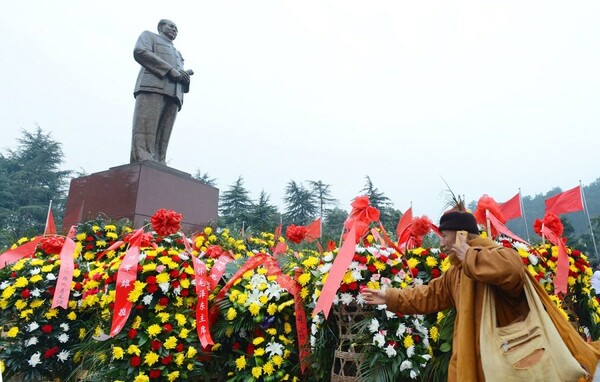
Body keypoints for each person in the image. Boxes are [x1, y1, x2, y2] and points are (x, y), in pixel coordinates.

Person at [362, 210, 600, 381]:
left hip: (508, 357)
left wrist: (472, 257)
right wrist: (389, 297)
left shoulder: (495, 255)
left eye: (445, 235)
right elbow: (427, 295)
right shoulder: (455, 273)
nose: (442, 242)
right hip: (471, 357)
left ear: (463, 235)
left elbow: (513, 270)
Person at [130, 19, 191, 164]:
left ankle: (159, 159)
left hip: (174, 93)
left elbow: (179, 73)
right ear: (160, 27)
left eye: (176, 28)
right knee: (146, 126)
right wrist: (169, 70)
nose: (174, 29)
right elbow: (140, 51)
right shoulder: (149, 36)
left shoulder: (178, 53)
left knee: (164, 133)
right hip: (152, 86)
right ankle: (143, 157)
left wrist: (185, 78)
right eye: (171, 26)